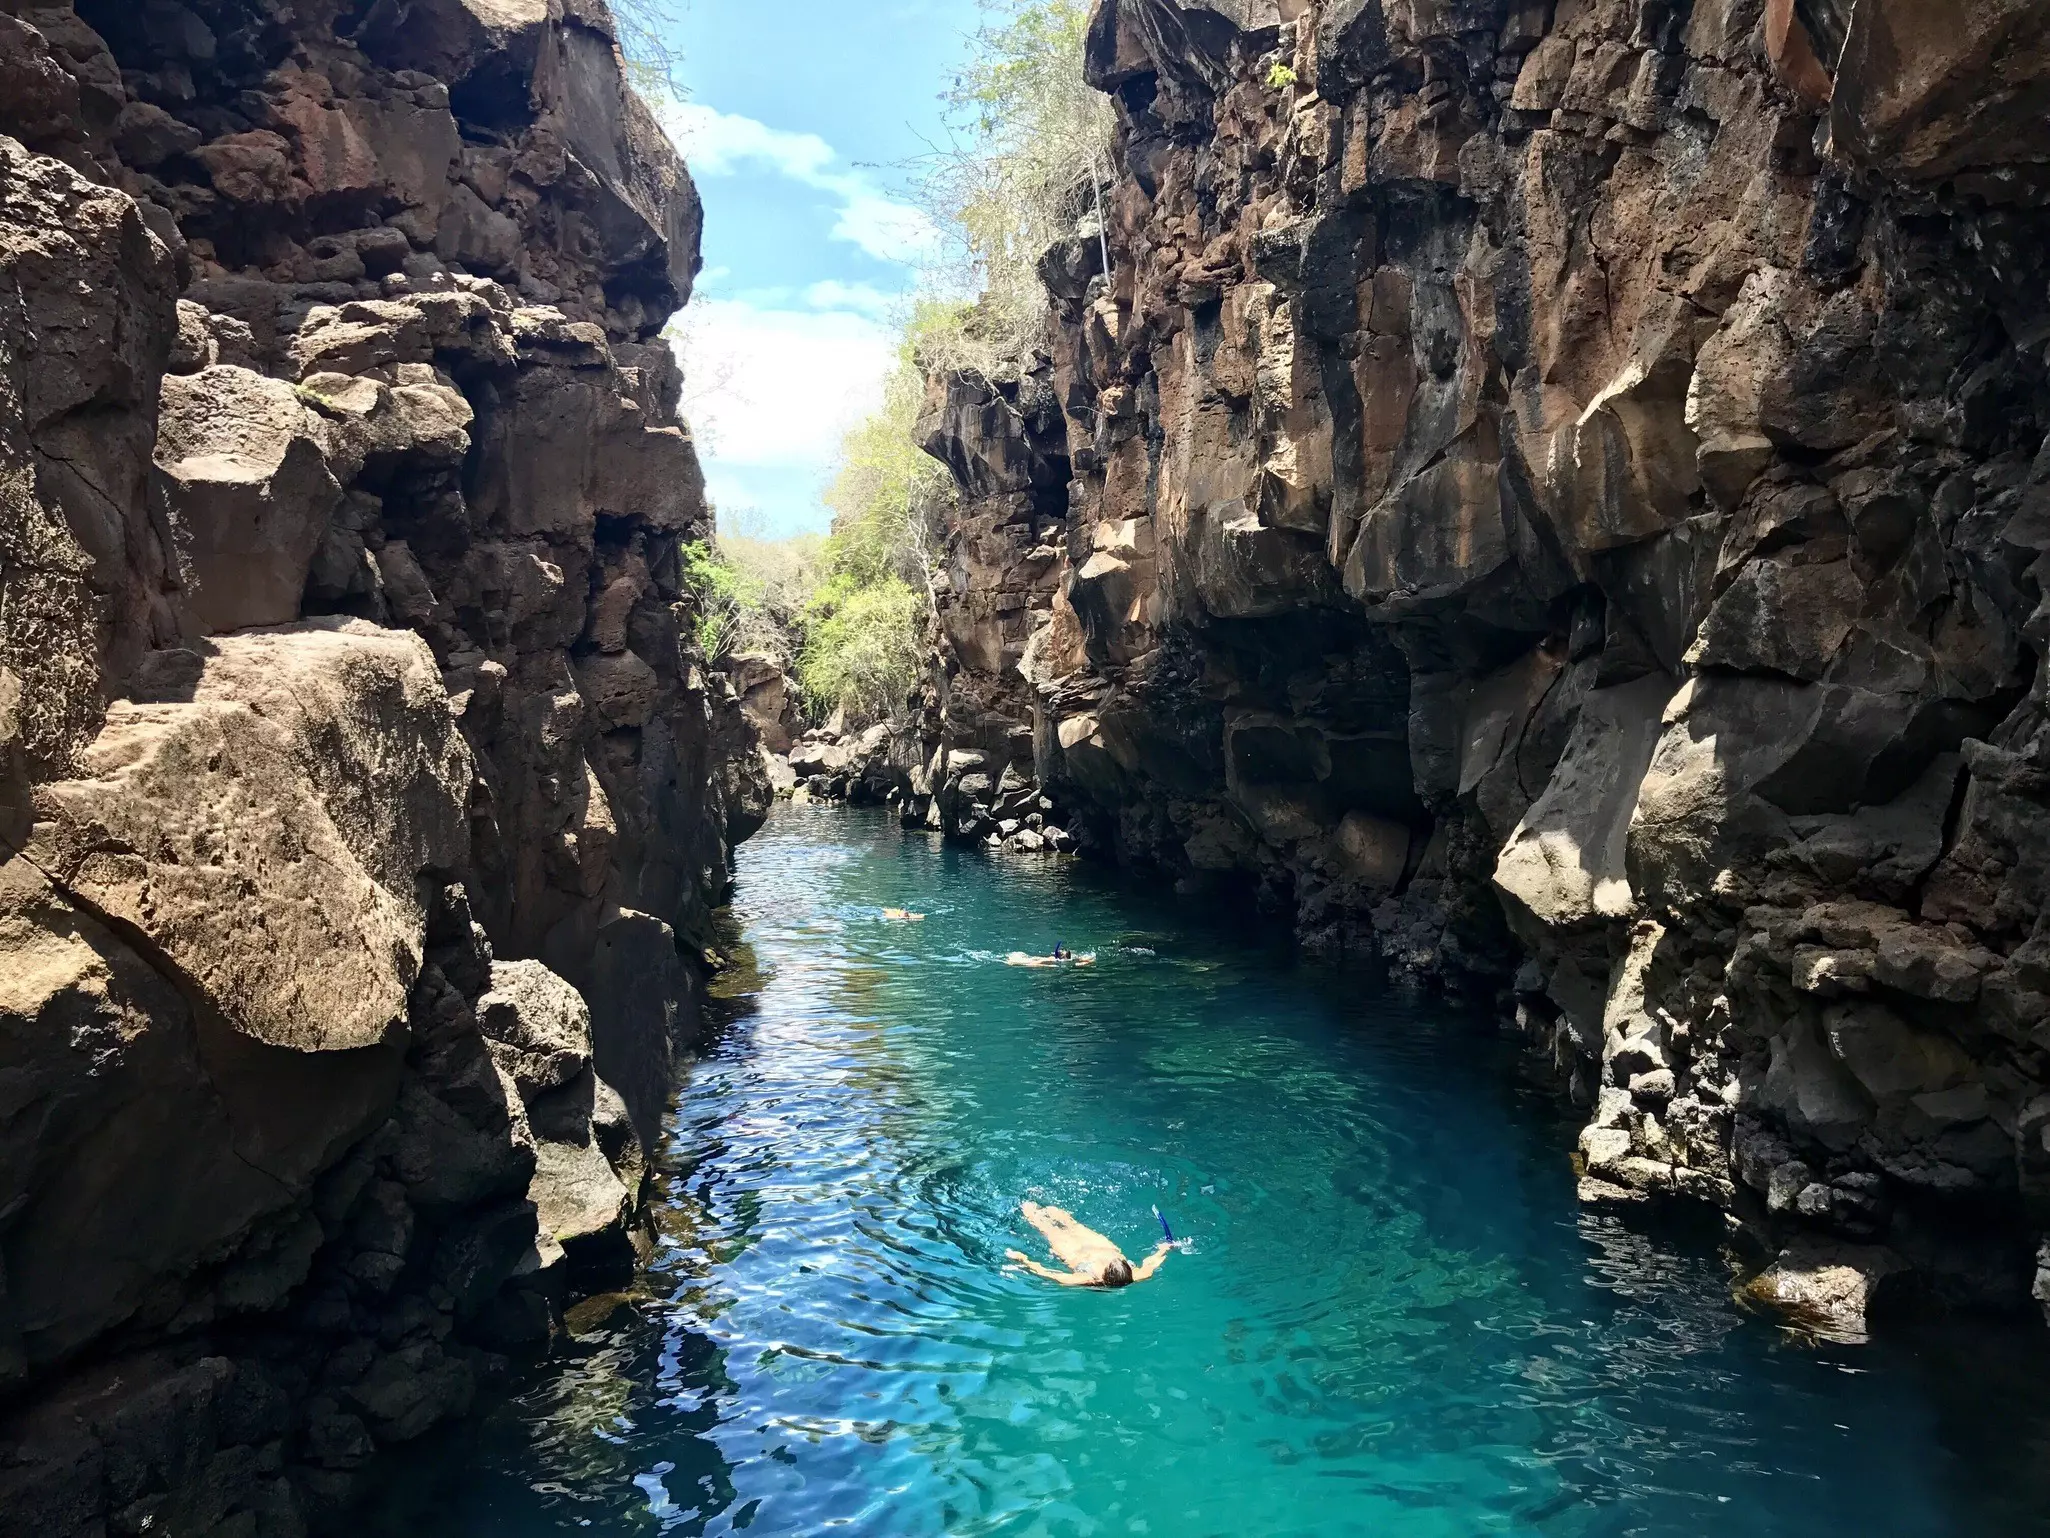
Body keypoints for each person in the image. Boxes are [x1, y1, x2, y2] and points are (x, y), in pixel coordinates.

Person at [1004, 1201, 1173, 1289]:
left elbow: (1048, 1273)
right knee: (1074, 1225)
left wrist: (1023, 1259)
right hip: (1100, 1245)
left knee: (1048, 1229)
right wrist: (1163, 1249)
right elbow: (1152, 1262)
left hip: (1074, 1252)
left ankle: (1028, 1208)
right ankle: (1055, 1212)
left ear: (1104, 1275)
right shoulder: (1138, 1275)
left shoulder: (1087, 1279)